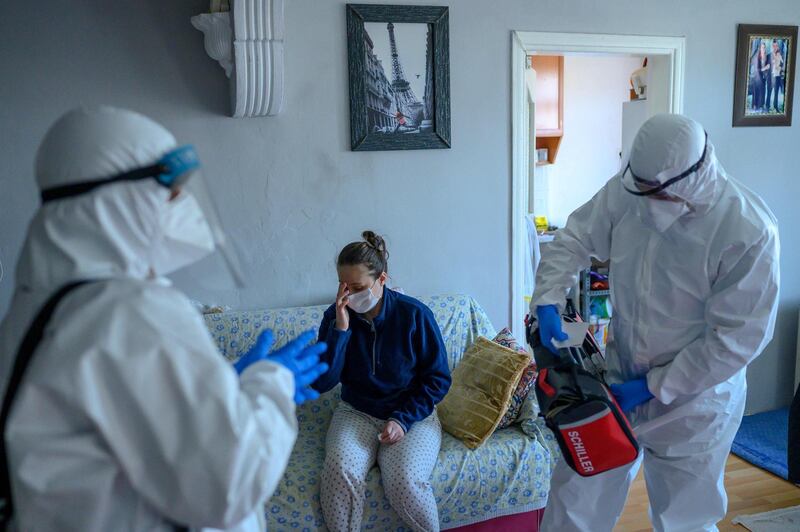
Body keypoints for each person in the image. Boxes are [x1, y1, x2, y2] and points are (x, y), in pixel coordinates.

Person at [0, 106, 329, 531]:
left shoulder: (36, 306)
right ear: (120, 199)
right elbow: (228, 483)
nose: (184, 208)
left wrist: (221, 387)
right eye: (172, 193)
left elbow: (112, 418)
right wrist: (271, 385)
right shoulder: (128, 309)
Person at [532, 114, 779, 531]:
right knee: (573, 504)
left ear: (693, 175)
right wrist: (548, 299)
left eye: (655, 192)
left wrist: (652, 386)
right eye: (639, 187)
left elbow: (735, 340)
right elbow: (575, 236)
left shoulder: (748, 229)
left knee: (685, 519)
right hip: (615, 382)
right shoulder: (629, 189)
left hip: (695, 404)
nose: (644, 199)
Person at [315, 231, 451, 532]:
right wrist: (340, 330)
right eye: (344, 287)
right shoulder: (335, 315)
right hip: (357, 412)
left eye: (358, 287)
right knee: (338, 472)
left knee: (405, 481)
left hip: (412, 414)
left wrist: (402, 420)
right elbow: (323, 382)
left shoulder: (415, 315)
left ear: (382, 280)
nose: (350, 295)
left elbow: (438, 379)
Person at [770, 39, 784, 112]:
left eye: (776, 46)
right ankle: (769, 106)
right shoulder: (771, 54)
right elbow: (771, 64)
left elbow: (782, 63)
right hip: (772, 76)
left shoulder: (779, 54)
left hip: (778, 76)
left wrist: (780, 67)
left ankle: (775, 106)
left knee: (776, 92)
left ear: (778, 47)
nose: (775, 47)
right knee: (770, 91)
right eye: (774, 46)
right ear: (772, 47)